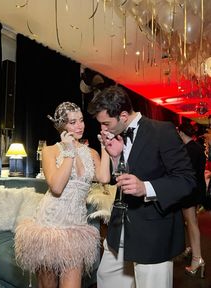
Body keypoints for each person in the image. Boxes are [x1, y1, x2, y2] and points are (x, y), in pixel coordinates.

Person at [87, 85, 196, 288]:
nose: (103, 130)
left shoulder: (162, 131)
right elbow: (124, 177)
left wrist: (147, 188)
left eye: (106, 123)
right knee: (106, 280)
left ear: (124, 115)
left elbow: (186, 180)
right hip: (119, 229)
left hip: (152, 233)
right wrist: (117, 157)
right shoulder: (117, 136)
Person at [14, 102, 111, 288]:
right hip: (49, 226)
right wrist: (68, 153)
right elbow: (57, 187)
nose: (80, 126)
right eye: (73, 122)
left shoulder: (91, 152)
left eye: (81, 120)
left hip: (76, 227)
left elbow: (104, 177)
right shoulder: (50, 151)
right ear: (62, 127)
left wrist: (104, 146)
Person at [177, 123, 206, 278]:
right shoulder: (197, 147)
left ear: (181, 133)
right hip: (197, 189)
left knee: (192, 222)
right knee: (191, 222)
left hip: (190, 191)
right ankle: (193, 252)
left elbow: (185, 173)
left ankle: (197, 258)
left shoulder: (187, 150)